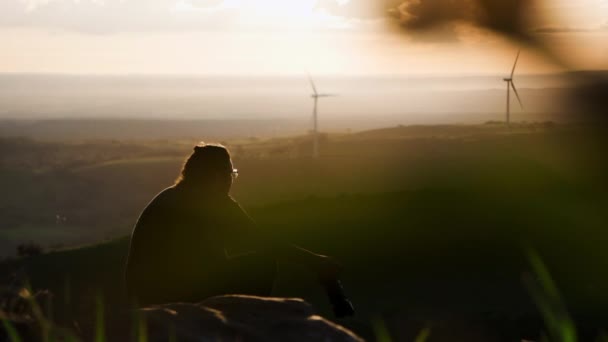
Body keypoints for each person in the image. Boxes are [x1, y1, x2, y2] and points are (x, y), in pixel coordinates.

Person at [125, 143, 354, 317]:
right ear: (216, 177)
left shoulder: (173, 196)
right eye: (230, 175)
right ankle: (242, 323)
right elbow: (262, 242)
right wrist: (316, 263)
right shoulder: (210, 200)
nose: (231, 181)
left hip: (147, 295)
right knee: (262, 264)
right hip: (178, 294)